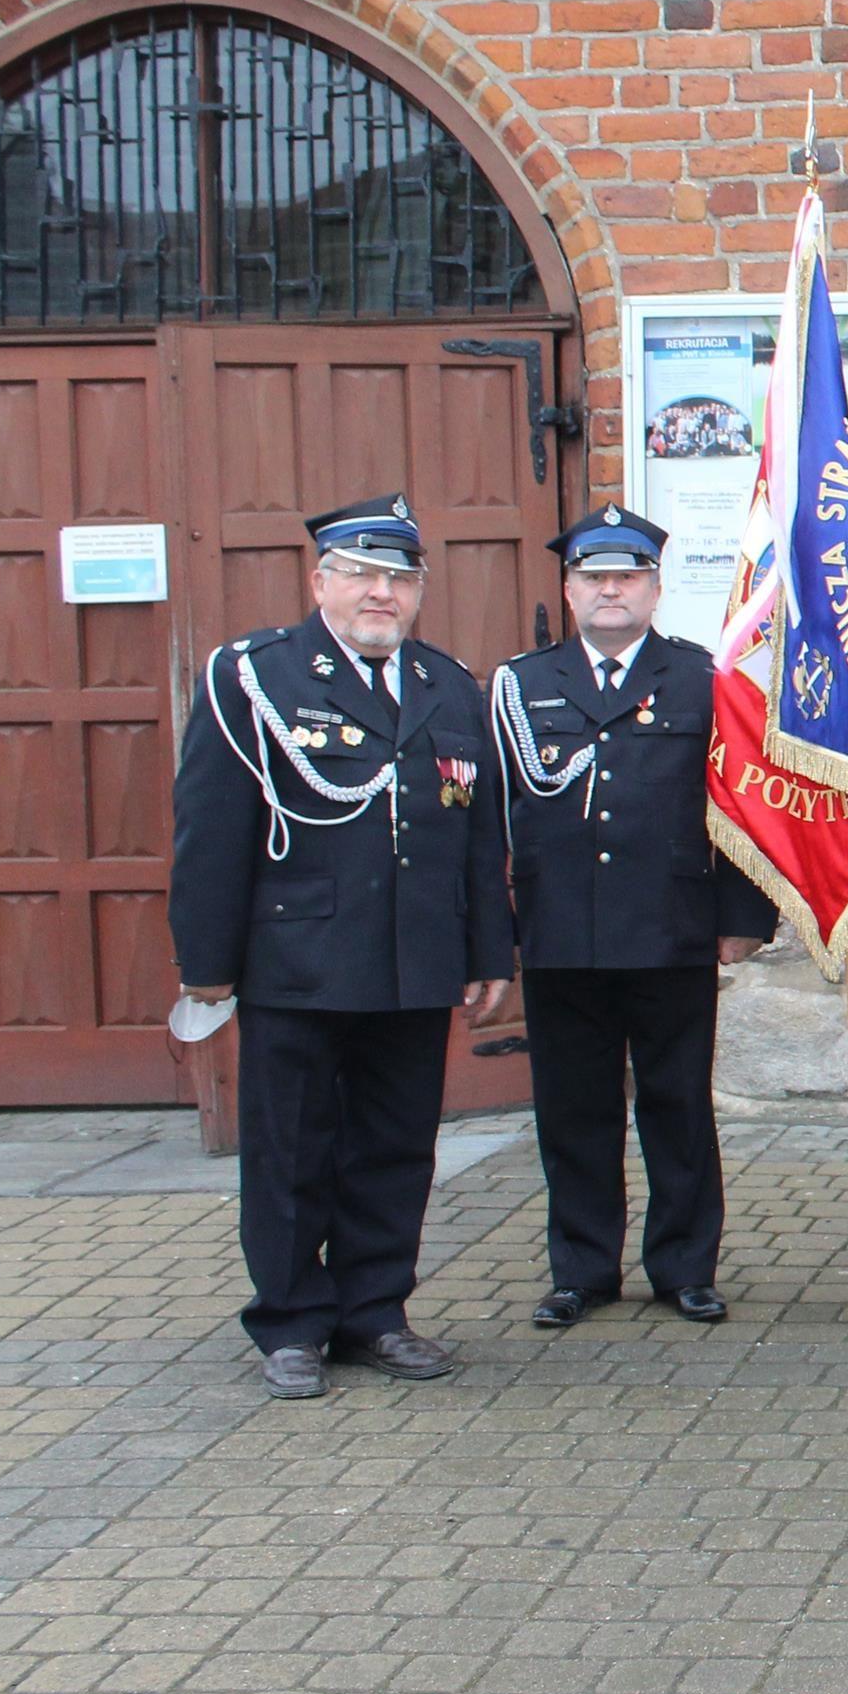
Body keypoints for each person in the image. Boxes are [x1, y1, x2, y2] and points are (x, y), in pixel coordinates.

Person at [170, 496, 512, 1399]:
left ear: (419, 592)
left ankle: (375, 1311)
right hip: (300, 962)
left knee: (396, 1145)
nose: (380, 593)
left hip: (413, 959)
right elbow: (211, 829)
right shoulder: (256, 678)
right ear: (319, 580)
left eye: (399, 577)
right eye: (361, 573)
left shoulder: (447, 684)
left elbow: (477, 833)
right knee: (291, 1149)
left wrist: (488, 951)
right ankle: (289, 1322)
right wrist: (206, 965)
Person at [492, 507, 776, 1331]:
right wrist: (498, 931)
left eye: (627, 576)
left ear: (655, 585)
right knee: (574, 1110)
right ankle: (582, 1270)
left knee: (678, 1105)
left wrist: (743, 917)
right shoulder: (522, 684)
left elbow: (738, 805)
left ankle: (685, 1267)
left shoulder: (703, 678)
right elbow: (493, 820)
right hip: (561, 934)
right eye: (594, 577)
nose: (610, 589)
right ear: (570, 588)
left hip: (672, 928)